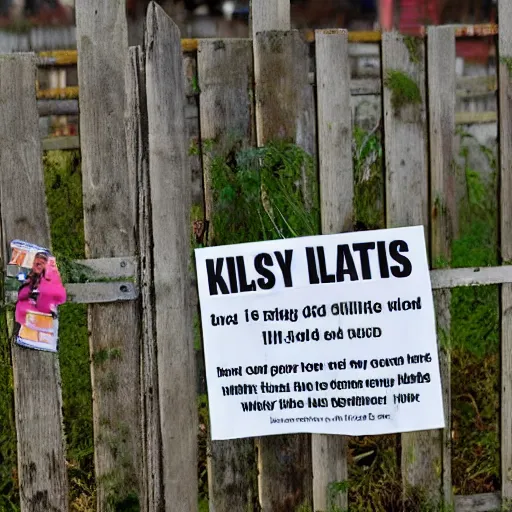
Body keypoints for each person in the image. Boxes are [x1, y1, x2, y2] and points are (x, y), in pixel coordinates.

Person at [15, 251, 66, 329]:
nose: (37, 266)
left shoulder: (50, 279)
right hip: (32, 316)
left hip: (39, 317)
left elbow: (59, 296)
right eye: (36, 263)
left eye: (41, 263)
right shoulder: (33, 278)